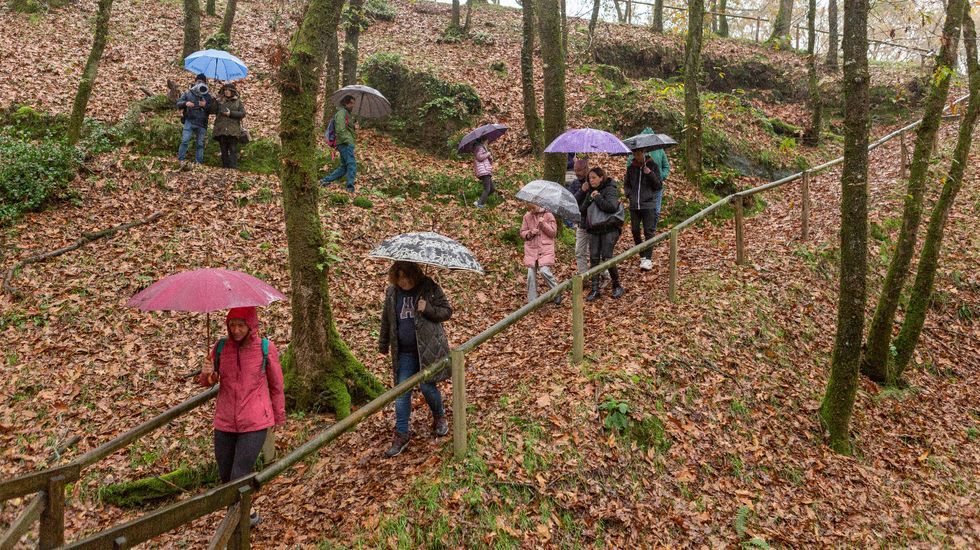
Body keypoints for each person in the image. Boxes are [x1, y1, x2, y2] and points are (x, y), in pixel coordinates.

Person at [198, 307, 285, 527]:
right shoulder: (220, 348)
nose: (236, 330)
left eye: (241, 325)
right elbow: (208, 381)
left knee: (239, 474)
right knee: (226, 476)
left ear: (251, 326)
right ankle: (248, 513)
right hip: (225, 420)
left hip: (255, 421)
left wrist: (278, 417)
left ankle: (234, 528)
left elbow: (276, 386)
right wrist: (207, 373)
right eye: (232, 325)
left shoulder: (265, 348)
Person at [378, 261, 453, 458]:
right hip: (405, 352)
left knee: (428, 387)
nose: (403, 281)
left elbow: (447, 311)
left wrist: (427, 307)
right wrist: (383, 344)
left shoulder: (429, 287)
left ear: (414, 274)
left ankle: (439, 417)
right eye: (399, 277)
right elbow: (386, 319)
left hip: (427, 351)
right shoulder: (392, 293)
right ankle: (401, 434)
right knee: (402, 391)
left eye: (406, 277)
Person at [578, 167, 625, 300]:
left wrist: (598, 197)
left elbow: (611, 207)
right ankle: (595, 289)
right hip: (594, 229)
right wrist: (590, 198)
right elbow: (582, 210)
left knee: (607, 256)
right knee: (593, 258)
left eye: (594, 178)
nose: (591, 180)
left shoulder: (610, 188)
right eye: (589, 178)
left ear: (601, 177)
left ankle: (617, 285)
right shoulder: (591, 191)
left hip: (610, 228)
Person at [568, 159, 611, 286]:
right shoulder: (575, 183)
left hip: (595, 223)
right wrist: (582, 190)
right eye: (575, 170)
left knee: (595, 253)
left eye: (579, 170)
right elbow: (571, 201)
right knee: (579, 251)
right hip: (581, 222)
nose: (577, 173)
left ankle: (605, 275)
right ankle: (584, 277)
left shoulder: (594, 181)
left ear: (586, 168)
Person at [623, 149, 663, 271]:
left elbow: (658, 185)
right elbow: (626, 184)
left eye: (639, 154)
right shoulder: (631, 168)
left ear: (644, 153)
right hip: (635, 205)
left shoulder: (653, 166)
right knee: (635, 230)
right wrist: (629, 194)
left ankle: (648, 259)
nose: (636, 156)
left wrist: (649, 173)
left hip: (648, 204)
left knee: (648, 231)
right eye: (634, 154)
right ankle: (642, 255)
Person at [520, 204, 562, 305]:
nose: (531, 210)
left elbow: (553, 233)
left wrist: (543, 224)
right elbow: (522, 232)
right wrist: (530, 232)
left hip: (545, 249)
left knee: (544, 271)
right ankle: (532, 301)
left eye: (533, 208)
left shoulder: (548, 215)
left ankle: (557, 292)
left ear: (537, 204)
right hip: (531, 250)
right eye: (529, 209)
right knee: (530, 274)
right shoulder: (527, 216)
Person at [320, 95, 357, 192]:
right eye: (351, 103)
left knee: (344, 167)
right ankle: (350, 188)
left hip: (346, 143)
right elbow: (340, 129)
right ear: (346, 103)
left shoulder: (347, 114)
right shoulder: (341, 113)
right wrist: (347, 140)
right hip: (345, 143)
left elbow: (347, 129)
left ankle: (325, 180)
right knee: (351, 164)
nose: (353, 105)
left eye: (354, 103)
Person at [176, 73, 215, 164]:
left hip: (202, 123)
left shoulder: (207, 96)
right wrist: (186, 103)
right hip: (189, 120)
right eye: (198, 81)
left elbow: (212, 110)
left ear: (205, 83)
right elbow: (178, 104)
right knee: (185, 141)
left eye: (202, 82)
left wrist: (206, 105)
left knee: (200, 144)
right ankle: (180, 160)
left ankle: (199, 163)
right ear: (195, 82)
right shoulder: (188, 93)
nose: (200, 83)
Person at [212, 83, 246, 169]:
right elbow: (212, 110)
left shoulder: (238, 101)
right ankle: (225, 168)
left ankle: (233, 168)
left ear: (232, 91)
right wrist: (213, 101)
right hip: (221, 128)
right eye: (225, 90)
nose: (226, 92)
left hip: (233, 129)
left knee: (233, 149)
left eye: (228, 90)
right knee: (223, 150)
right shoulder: (219, 101)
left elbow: (242, 114)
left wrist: (231, 113)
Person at [473, 139, 495, 208]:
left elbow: (487, 161)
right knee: (487, 189)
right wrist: (488, 154)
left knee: (492, 189)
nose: (487, 142)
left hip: (486, 170)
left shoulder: (483, 148)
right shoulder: (479, 148)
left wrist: (490, 158)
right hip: (483, 171)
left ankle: (479, 201)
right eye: (486, 141)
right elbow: (479, 158)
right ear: (482, 141)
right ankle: (480, 205)